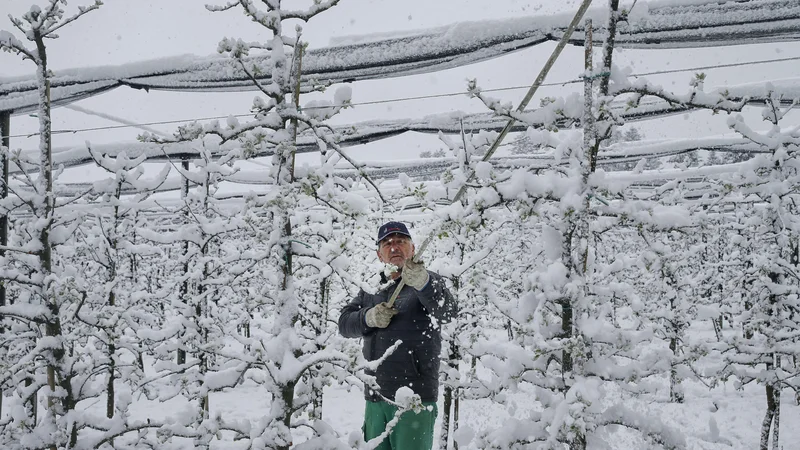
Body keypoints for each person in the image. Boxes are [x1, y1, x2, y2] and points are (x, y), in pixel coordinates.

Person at [338, 221, 457, 450]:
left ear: (412, 249)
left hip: (414, 399)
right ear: (379, 254)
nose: (394, 247)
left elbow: (447, 312)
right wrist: (368, 317)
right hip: (376, 396)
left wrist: (423, 283)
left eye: (401, 241)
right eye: (387, 243)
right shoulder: (372, 288)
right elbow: (344, 324)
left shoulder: (428, 282)